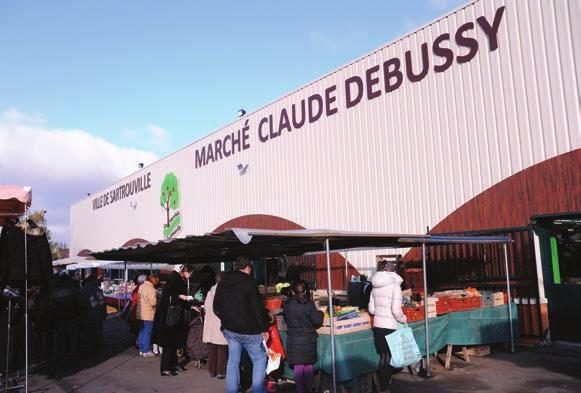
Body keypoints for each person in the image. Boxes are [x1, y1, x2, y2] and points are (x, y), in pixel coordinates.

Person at [214, 256, 270, 393]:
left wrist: (226, 320)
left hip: (230, 329)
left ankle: (232, 390)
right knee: (259, 359)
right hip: (249, 330)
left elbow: (216, 307)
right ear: (248, 267)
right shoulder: (250, 282)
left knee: (233, 361)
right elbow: (257, 308)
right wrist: (264, 328)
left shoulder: (223, 281)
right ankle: (258, 390)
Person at [368, 260, 407, 393]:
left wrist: (380, 311)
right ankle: (385, 387)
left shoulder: (374, 287)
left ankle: (382, 385)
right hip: (391, 326)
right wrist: (404, 319)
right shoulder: (395, 287)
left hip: (378, 326)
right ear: (393, 272)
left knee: (383, 356)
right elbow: (396, 310)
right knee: (390, 357)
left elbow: (372, 310)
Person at [282, 280, 324, 393]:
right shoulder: (309, 304)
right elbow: (317, 321)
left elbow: (286, 320)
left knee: (298, 366)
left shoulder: (287, 305)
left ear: (292, 291)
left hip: (294, 339)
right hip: (308, 339)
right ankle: (309, 388)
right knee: (307, 365)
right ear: (305, 291)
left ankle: (300, 390)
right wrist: (321, 313)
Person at [156, 264, 194, 376]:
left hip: (173, 315)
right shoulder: (175, 279)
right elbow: (172, 294)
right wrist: (183, 297)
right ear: (185, 271)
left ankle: (173, 364)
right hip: (171, 316)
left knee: (174, 341)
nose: (191, 276)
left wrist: (189, 305)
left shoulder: (176, 278)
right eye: (190, 273)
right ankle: (165, 368)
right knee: (169, 342)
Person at [203, 272, 227, 379]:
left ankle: (212, 371)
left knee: (212, 349)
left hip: (210, 324)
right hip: (220, 323)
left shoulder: (210, 291)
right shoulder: (225, 291)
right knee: (222, 348)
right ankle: (221, 371)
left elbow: (206, 307)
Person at [79, 274, 106, 356]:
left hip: (85, 316)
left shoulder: (82, 291)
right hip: (96, 315)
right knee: (95, 333)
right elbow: (102, 304)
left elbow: (79, 304)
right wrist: (103, 314)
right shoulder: (98, 290)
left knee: (87, 334)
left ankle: (86, 349)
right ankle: (93, 349)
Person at [137, 274, 159, 357]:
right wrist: (156, 301)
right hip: (148, 313)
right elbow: (153, 302)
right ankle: (146, 350)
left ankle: (141, 349)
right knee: (148, 332)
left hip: (140, 313)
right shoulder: (151, 289)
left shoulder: (141, 286)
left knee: (141, 331)